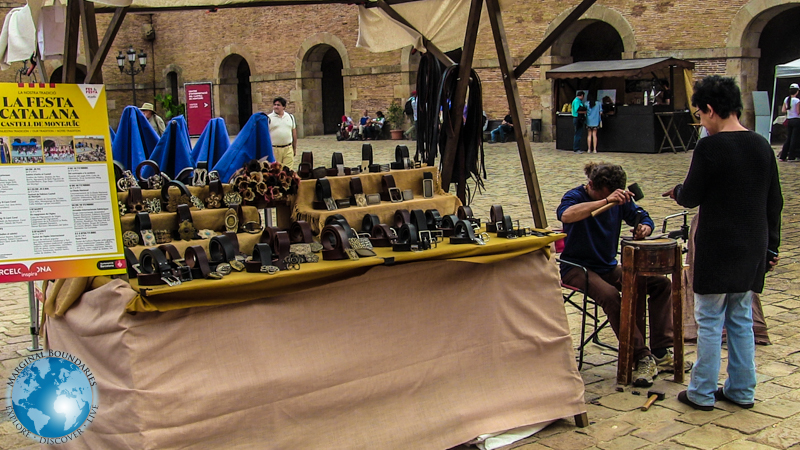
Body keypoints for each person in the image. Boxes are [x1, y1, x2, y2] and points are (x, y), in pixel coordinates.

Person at [663, 75, 783, 411]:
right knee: (741, 318)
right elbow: (775, 202)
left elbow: (692, 195)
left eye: (700, 115)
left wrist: (677, 192)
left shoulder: (710, 147)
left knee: (710, 320)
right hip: (752, 246)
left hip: (717, 247)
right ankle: (742, 390)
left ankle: (702, 392)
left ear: (711, 110)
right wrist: (772, 247)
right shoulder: (761, 144)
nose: (701, 122)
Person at [558, 162, 679, 388]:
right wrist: (606, 201)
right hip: (576, 267)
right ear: (592, 185)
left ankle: (661, 351)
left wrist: (645, 226)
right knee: (612, 296)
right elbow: (566, 216)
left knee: (660, 284)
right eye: (607, 194)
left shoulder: (620, 199)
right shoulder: (574, 196)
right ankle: (640, 356)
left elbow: (642, 216)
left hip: (606, 265)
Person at [267, 97, 297, 168]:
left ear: (284, 107)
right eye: (275, 105)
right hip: (275, 149)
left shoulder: (290, 117)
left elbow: (294, 133)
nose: (276, 107)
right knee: (276, 171)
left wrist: (294, 148)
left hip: (288, 148)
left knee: (288, 171)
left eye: (278, 105)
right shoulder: (268, 118)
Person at [778, 83, 800, 162]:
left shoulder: (786, 99)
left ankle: (783, 156)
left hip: (789, 120)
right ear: (797, 92)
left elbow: (783, 110)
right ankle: (791, 156)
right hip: (796, 120)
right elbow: (798, 112)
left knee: (788, 138)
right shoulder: (797, 100)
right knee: (794, 139)